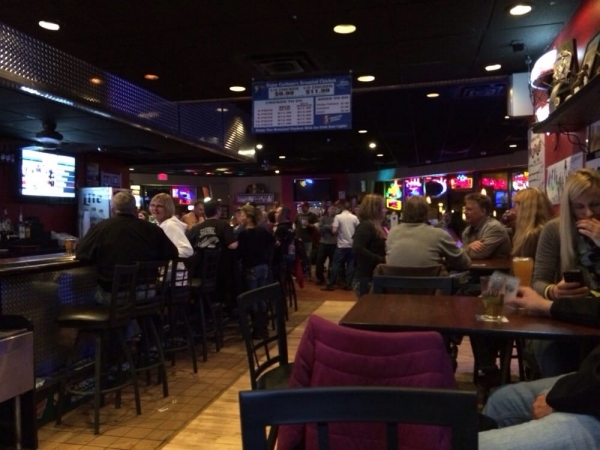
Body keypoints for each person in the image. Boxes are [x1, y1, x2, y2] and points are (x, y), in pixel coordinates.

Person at [478, 285, 600, 450]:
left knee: (477, 445)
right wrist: (545, 303)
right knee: (502, 401)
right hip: (592, 376)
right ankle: (489, 369)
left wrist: (558, 398)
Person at [530, 168, 600, 376]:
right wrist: (553, 291)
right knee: (555, 353)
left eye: (595, 204)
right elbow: (538, 281)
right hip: (567, 315)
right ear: (570, 207)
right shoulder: (554, 230)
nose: (588, 213)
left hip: (595, 315)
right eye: (579, 206)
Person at [76, 191, 178, 305]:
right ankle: (138, 316)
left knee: (83, 300)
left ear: (113, 209)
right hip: (147, 293)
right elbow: (173, 253)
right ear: (135, 209)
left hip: (114, 296)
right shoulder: (153, 229)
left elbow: (81, 254)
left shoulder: (100, 228)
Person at [387, 196, 470, 272]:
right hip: (430, 284)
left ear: (404, 212)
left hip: (394, 283)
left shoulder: (392, 233)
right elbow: (464, 263)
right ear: (426, 213)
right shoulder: (438, 234)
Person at [351, 194, 387, 298]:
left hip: (371, 276)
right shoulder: (365, 226)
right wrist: (381, 259)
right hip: (366, 278)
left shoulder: (376, 226)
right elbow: (358, 249)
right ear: (375, 210)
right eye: (383, 208)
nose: (385, 210)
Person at [321, 202, 359, 291]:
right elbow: (358, 230)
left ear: (342, 208)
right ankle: (348, 284)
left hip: (341, 245)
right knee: (350, 265)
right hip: (351, 245)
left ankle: (331, 284)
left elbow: (334, 230)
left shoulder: (338, 217)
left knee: (335, 264)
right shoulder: (354, 218)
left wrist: (339, 233)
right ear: (350, 208)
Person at [237, 203, 275, 291]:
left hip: (251, 267)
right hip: (264, 266)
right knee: (261, 294)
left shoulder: (243, 234)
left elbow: (240, 254)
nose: (240, 217)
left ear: (249, 218)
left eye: (242, 215)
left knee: (251, 296)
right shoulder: (263, 230)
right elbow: (275, 243)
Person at [462, 193, 512, 260]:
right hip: (475, 266)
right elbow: (460, 256)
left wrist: (465, 248)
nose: (465, 212)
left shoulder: (494, 227)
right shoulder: (467, 230)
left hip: (497, 266)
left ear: (482, 211)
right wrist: (468, 247)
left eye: (469, 209)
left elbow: (478, 254)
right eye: (465, 209)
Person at [511, 188, 554, 258]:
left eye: (515, 205)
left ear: (524, 209)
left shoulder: (532, 236)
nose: (513, 210)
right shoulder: (549, 230)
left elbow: (525, 264)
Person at [149, 193, 193, 258]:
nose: (155, 208)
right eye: (152, 205)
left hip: (171, 264)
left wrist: (160, 253)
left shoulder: (170, 225)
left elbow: (187, 250)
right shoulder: (163, 223)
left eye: (159, 206)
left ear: (168, 208)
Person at [294, 202, 318, 278]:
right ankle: (301, 273)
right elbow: (294, 225)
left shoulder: (312, 215)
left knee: (307, 256)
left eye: (303, 207)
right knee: (299, 256)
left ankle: (308, 272)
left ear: (307, 207)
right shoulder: (298, 215)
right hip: (299, 238)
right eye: (301, 207)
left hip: (308, 239)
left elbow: (317, 225)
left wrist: (309, 225)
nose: (301, 208)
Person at [315, 205, 338, 286]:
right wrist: (330, 227)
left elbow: (337, 230)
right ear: (328, 210)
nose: (333, 210)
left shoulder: (337, 218)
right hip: (323, 242)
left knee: (333, 263)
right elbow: (319, 229)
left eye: (334, 209)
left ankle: (331, 279)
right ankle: (320, 278)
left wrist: (325, 227)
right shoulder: (323, 218)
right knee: (319, 261)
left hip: (333, 243)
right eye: (331, 208)